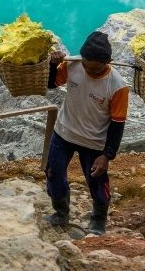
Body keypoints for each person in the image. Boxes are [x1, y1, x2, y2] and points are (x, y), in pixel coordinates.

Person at [44, 31, 128, 235]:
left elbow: (118, 124)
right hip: (63, 132)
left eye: (95, 68)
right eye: (86, 65)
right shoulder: (73, 64)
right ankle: (61, 213)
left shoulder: (118, 86)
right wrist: (53, 64)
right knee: (53, 173)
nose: (89, 70)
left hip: (94, 142)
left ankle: (98, 221)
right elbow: (51, 83)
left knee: (97, 181)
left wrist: (107, 155)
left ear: (108, 62)